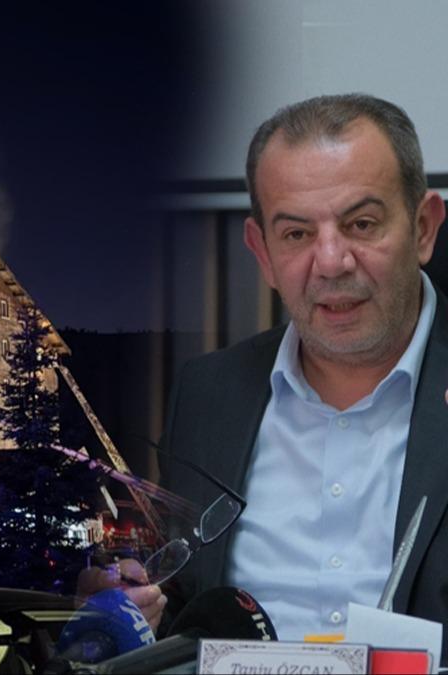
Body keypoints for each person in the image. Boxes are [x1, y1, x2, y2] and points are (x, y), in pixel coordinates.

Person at [157, 93, 448, 645]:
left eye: (361, 224)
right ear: (262, 252)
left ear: (424, 228)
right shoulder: (207, 396)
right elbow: (182, 605)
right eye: (296, 234)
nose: (332, 262)